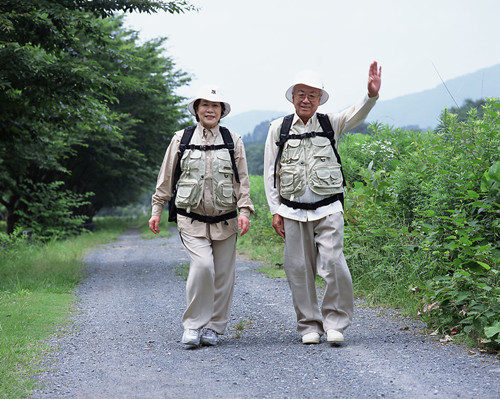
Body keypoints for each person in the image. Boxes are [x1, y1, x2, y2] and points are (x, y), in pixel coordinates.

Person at [263, 62, 382, 344]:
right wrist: (275, 211)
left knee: (333, 264)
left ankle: (335, 323)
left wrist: (371, 95)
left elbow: (357, 113)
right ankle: (308, 326)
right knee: (298, 269)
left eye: (312, 95)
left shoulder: (332, 123)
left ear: (319, 99)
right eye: (301, 94)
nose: (306, 100)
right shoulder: (278, 129)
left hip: (329, 208)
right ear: (292, 98)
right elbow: (270, 172)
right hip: (291, 211)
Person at [149, 85, 254, 349]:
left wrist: (244, 211)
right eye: (205, 104)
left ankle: (214, 328)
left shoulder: (233, 140)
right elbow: (166, 177)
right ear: (197, 110)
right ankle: (193, 325)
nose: (210, 109)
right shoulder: (181, 139)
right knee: (203, 266)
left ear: (222, 112)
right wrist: (157, 209)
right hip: (190, 219)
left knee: (223, 275)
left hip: (226, 219)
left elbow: (242, 181)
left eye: (215, 106)